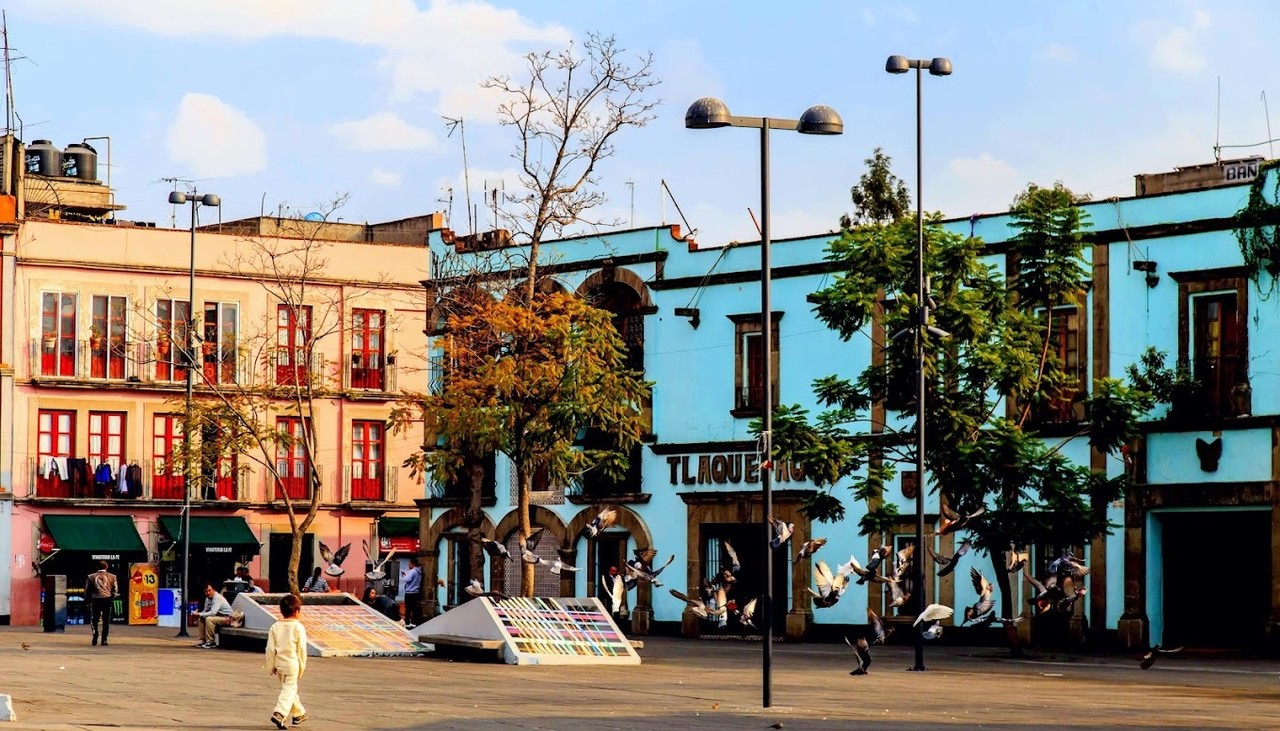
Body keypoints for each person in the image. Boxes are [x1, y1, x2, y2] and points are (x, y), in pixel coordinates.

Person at [266, 593, 308, 729]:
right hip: (292, 664)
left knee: (289, 688)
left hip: (280, 665)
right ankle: (280, 713)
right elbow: (301, 650)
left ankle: (298, 713)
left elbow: (270, 649)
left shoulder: (275, 627)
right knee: (289, 689)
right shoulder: (298, 627)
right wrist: (302, 667)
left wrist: (270, 666)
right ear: (296, 612)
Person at [84, 560, 118, 647]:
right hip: (107, 599)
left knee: (95, 620)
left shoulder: (91, 577)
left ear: (97, 567)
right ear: (107, 567)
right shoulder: (113, 577)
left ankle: (95, 636)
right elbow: (115, 590)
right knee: (106, 620)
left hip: (95, 600)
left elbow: (87, 591)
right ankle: (104, 640)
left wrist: (88, 601)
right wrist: (111, 597)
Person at [196, 583, 232, 648]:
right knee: (201, 618)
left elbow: (213, 613)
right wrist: (198, 614)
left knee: (209, 619)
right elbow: (205, 611)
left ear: (214, 590)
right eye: (206, 591)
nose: (208, 593)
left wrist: (200, 614)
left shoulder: (217, 598)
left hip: (227, 618)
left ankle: (211, 641)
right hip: (218, 617)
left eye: (209, 590)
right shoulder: (207, 599)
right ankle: (204, 640)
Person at [402, 558, 422, 628]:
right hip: (416, 592)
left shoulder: (412, 571)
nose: (409, 565)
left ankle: (407, 622)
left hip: (409, 592)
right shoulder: (419, 572)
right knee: (414, 608)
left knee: (408, 608)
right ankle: (414, 622)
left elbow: (407, 579)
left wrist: (404, 576)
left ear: (412, 564)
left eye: (409, 564)